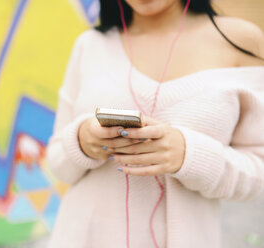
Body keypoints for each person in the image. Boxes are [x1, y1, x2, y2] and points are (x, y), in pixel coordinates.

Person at [46, 0, 264, 247]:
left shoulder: (241, 40)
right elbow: (56, 161)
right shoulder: (91, 44)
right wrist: (83, 141)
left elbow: (259, 173)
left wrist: (189, 155)